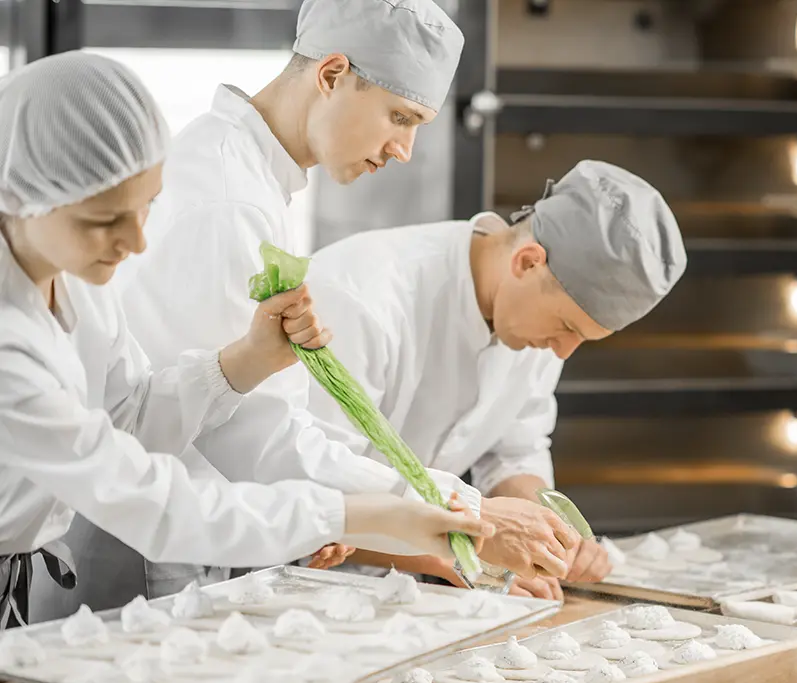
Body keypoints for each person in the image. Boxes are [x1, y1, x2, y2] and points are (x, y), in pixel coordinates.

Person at [1, 51, 493, 629]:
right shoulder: (9, 346)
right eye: (105, 221)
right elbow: (150, 499)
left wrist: (244, 362)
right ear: (21, 195)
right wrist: (361, 515)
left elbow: (128, 417)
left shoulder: (76, 282)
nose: (136, 243)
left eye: (146, 208)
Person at [114, 0, 573, 603]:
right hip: (141, 562)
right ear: (331, 75)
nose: (404, 149)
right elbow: (255, 441)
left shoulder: (251, 177)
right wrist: (463, 512)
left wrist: (344, 518)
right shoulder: (228, 199)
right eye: (400, 117)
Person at [303, 160, 687, 598]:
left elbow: (514, 453)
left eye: (583, 338)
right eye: (567, 327)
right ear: (527, 262)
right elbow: (313, 491)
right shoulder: (363, 296)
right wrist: (463, 553)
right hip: (281, 582)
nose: (563, 351)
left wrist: (550, 534)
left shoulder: (537, 321)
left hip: (396, 592)